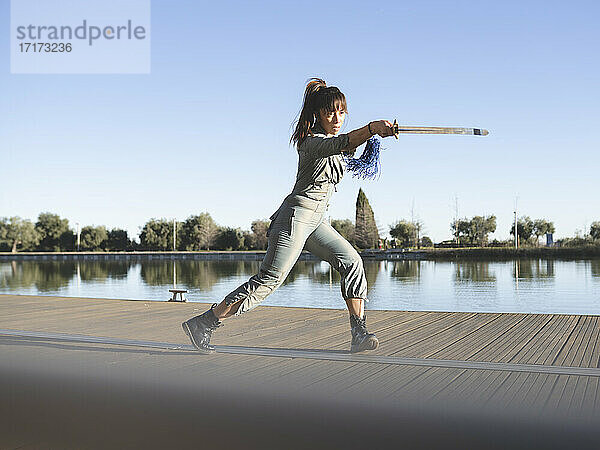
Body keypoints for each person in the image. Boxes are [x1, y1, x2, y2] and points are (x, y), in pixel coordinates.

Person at [182, 78, 396, 354]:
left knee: (353, 262)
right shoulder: (312, 143)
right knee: (268, 281)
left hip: (317, 222)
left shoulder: (334, 144)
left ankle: (359, 333)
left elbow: (348, 145)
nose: (337, 118)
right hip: (294, 218)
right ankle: (204, 323)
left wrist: (378, 134)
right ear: (318, 114)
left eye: (342, 112)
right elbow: (345, 141)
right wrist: (370, 128)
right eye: (330, 112)